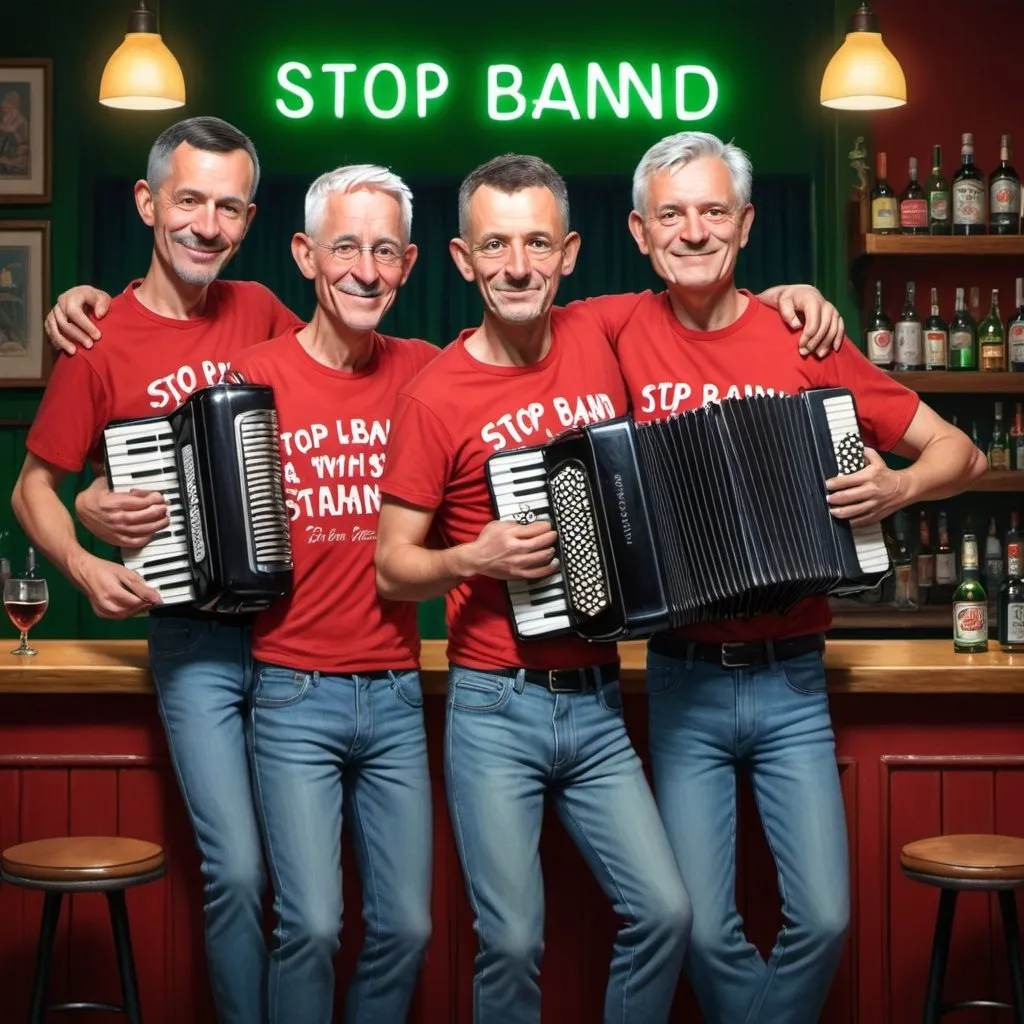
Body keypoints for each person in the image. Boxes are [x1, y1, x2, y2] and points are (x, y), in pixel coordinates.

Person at [373, 153, 844, 1024]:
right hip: (493, 705)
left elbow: (706, 285)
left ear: (571, 253)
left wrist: (793, 296)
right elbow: (391, 566)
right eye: (496, 246)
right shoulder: (433, 393)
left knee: (668, 914)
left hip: (595, 703)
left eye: (537, 243)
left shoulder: (607, 330)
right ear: (462, 259)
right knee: (512, 941)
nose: (518, 265)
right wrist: (471, 558)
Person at [612, 131, 988, 1024]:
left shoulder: (802, 337)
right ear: (639, 231)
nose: (693, 231)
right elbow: (517, 313)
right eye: (672, 214)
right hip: (682, 677)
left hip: (791, 678)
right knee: (703, 930)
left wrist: (897, 485)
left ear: (745, 225)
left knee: (822, 917)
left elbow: (961, 453)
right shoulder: (613, 328)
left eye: (713, 212)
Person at [12, 116, 299, 1024]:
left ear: (248, 220)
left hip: (293, 634)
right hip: (189, 640)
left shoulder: (261, 311)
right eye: (188, 201)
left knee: (305, 881)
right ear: (148, 203)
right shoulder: (97, 337)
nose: (206, 225)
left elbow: (355, 377)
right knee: (239, 869)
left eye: (227, 207)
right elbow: (33, 491)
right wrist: (82, 562)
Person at [231, 164, 436, 1024]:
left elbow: (559, 327)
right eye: (345, 246)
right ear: (305, 255)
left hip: (396, 692)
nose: (365, 269)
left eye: (384, 251)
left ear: (411, 264)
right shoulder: (249, 377)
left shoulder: (432, 372)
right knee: (311, 925)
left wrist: (780, 295)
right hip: (290, 689)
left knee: (408, 928)